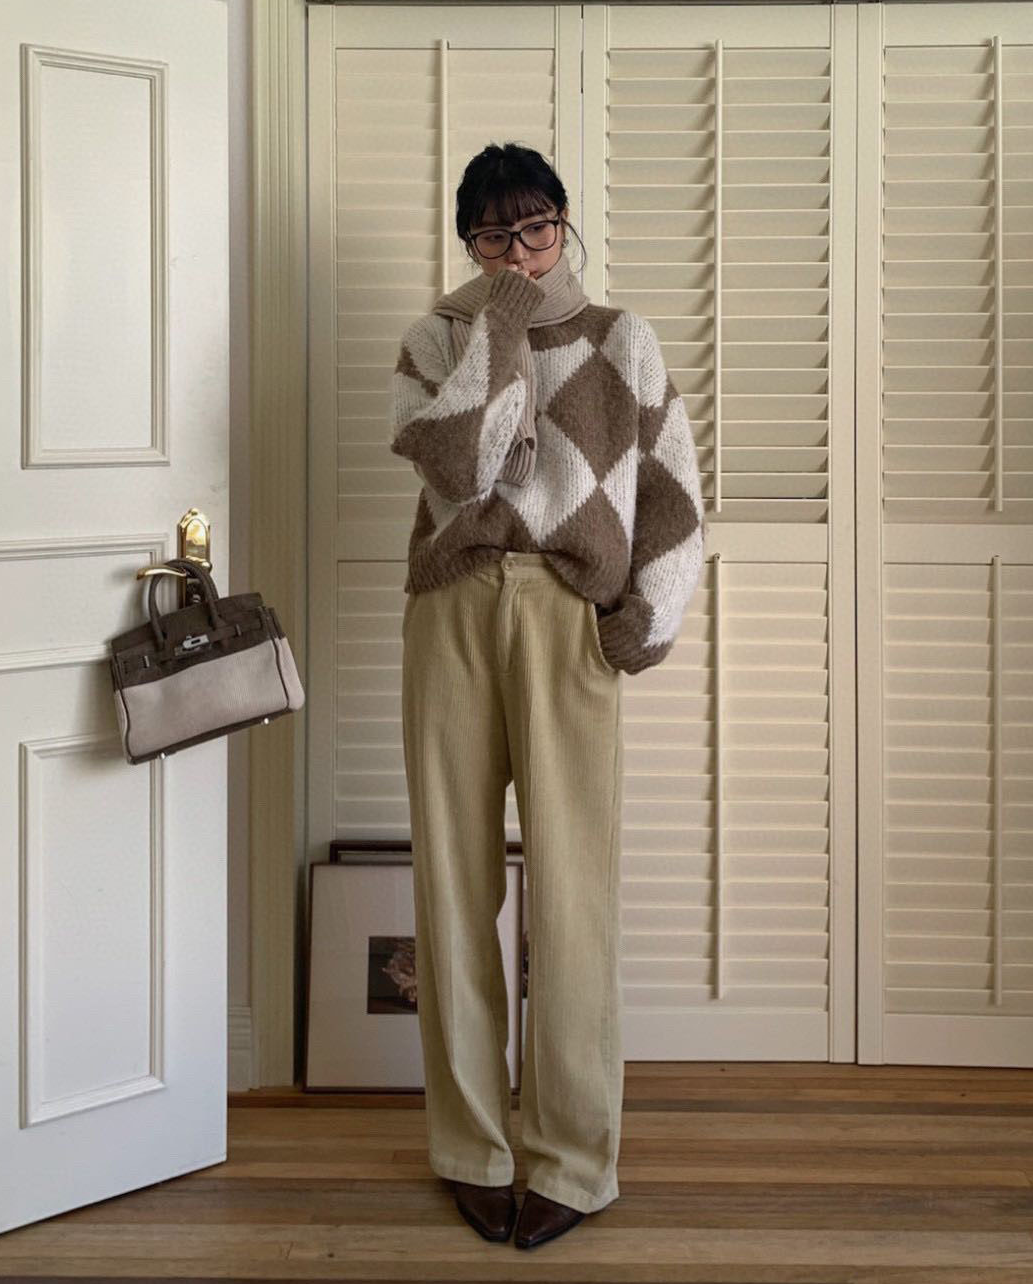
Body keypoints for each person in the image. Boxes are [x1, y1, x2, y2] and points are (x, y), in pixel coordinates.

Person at [389, 142, 706, 1250]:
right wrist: (504, 324)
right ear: (468, 241)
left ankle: (573, 1158)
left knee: (574, 894)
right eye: (493, 235)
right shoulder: (438, 337)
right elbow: (459, 467)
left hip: (570, 618)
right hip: (454, 610)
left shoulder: (623, 339)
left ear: (565, 223)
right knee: (454, 885)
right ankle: (470, 1146)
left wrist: (646, 616)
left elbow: (674, 493)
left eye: (535, 229)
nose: (518, 253)